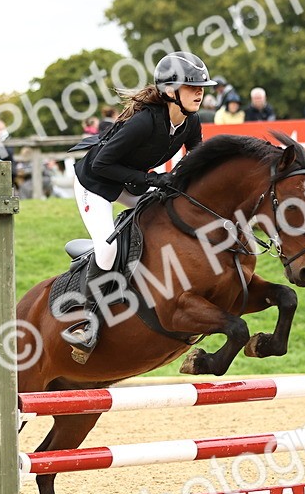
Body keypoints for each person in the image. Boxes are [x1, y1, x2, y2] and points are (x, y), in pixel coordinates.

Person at [61, 51, 215, 355]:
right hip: (96, 183)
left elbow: (198, 160)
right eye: (192, 87)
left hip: (129, 180)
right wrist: (153, 180)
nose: (199, 93)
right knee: (107, 247)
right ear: (171, 91)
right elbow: (102, 165)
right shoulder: (144, 122)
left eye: (202, 87)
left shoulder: (190, 122)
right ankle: (86, 322)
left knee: (167, 214)